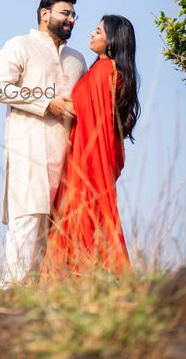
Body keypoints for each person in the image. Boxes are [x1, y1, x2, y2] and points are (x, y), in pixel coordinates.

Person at [0, 0, 86, 286]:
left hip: (66, 157)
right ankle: (11, 291)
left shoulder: (77, 59)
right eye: (65, 13)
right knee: (27, 221)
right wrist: (47, 104)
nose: (70, 19)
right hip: (28, 150)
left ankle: (39, 296)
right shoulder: (20, 45)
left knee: (55, 226)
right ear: (45, 14)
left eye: (73, 15)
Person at [41, 14, 140, 279]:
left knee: (83, 212)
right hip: (81, 154)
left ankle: (88, 275)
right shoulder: (99, 69)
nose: (91, 34)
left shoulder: (106, 71)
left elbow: (96, 116)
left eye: (98, 31)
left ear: (112, 40)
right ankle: (80, 276)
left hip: (88, 158)